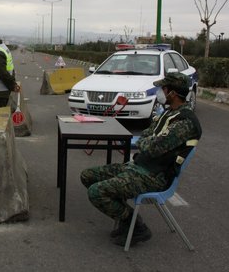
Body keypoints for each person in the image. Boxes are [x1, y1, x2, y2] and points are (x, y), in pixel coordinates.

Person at [80, 72, 202, 247]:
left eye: (163, 88)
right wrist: (148, 141)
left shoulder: (185, 122)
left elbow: (152, 147)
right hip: (139, 166)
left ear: (173, 93)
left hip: (154, 176)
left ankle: (135, 224)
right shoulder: (169, 113)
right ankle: (124, 219)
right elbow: (146, 135)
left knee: (96, 192)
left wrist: (147, 141)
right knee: (88, 176)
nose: (160, 91)